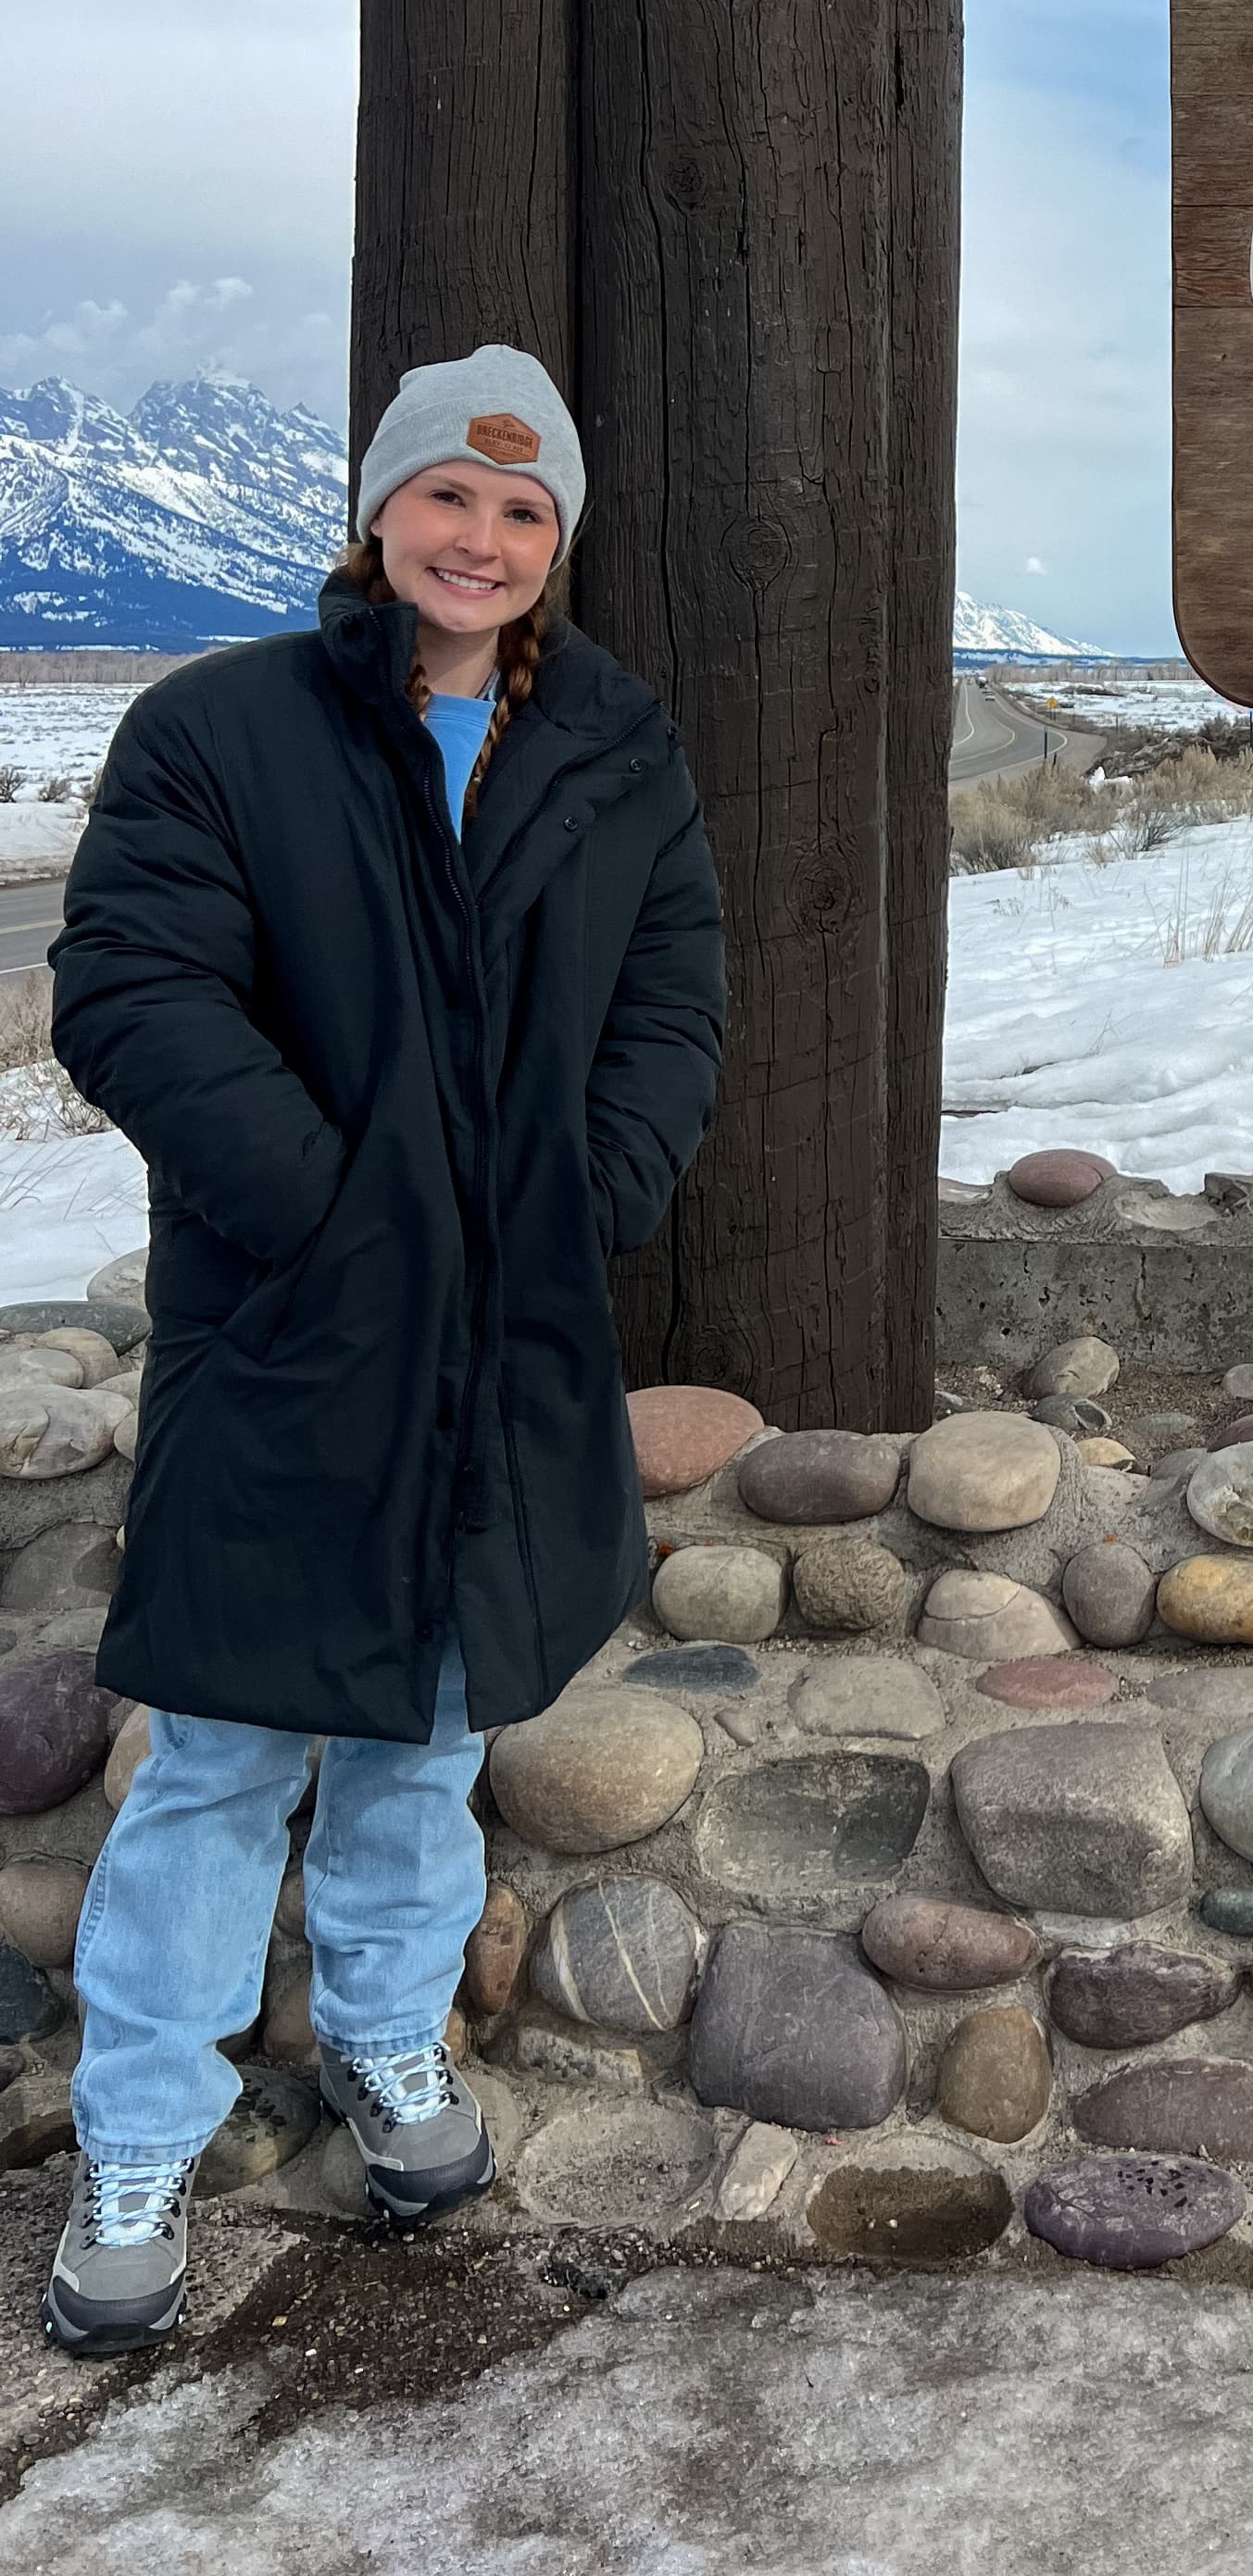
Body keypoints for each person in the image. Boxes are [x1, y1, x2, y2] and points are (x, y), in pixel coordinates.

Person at [41, 345, 724, 2355]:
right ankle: (138, 2137)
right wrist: (332, 1208)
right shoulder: (222, 727)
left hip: (509, 1330)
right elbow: (130, 987)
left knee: (430, 1731)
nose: (480, 540)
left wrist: (601, 1180)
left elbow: (674, 982)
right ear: (377, 514)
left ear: (554, 542)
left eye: (522, 511)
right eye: (448, 497)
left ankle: (384, 2039)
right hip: (293, 1322)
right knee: (222, 1753)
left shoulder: (611, 744)